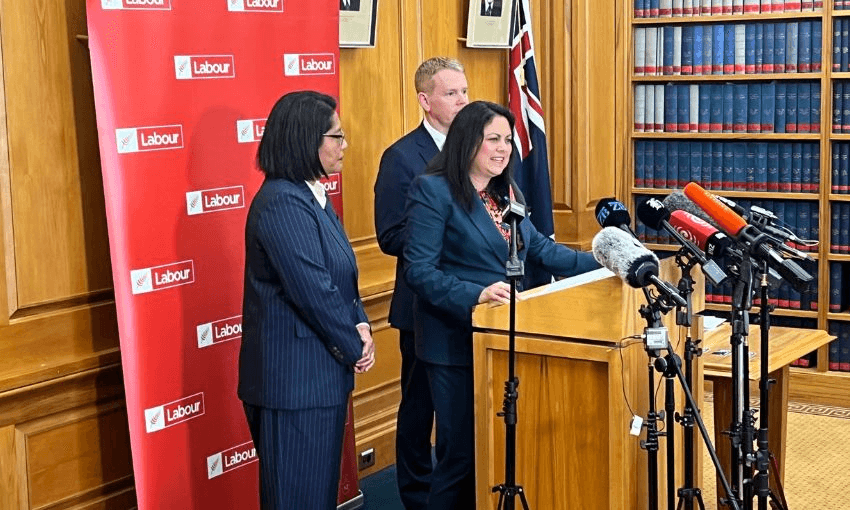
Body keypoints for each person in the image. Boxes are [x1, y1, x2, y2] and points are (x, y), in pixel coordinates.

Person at [403, 101, 600, 509]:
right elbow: (418, 271)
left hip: (505, 339)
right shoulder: (433, 190)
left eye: (507, 140)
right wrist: (474, 294)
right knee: (460, 454)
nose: (503, 148)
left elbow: (539, 249)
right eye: (493, 139)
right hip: (454, 343)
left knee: (494, 449)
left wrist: (602, 261)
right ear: (467, 141)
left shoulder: (505, 190)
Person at [238, 90, 375, 510]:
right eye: (336, 136)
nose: (344, 145)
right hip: (294, 385)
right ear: (305, 140)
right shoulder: (281, 201)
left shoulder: (312, 194)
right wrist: (354, 346)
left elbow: (342, 276)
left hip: (318, 379)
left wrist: (363, 322)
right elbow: (313, 290)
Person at [374, 56, 469, 510]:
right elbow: (390, 235)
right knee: (419, 411)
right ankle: (415, 498)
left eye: (465, 92)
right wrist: (448, 233)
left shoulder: (476, 151)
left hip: (471, 303)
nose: (462, 100)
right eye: (451, 93)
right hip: (419, 309)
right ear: (425, 100)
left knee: (461, 414)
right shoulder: (400, 157)